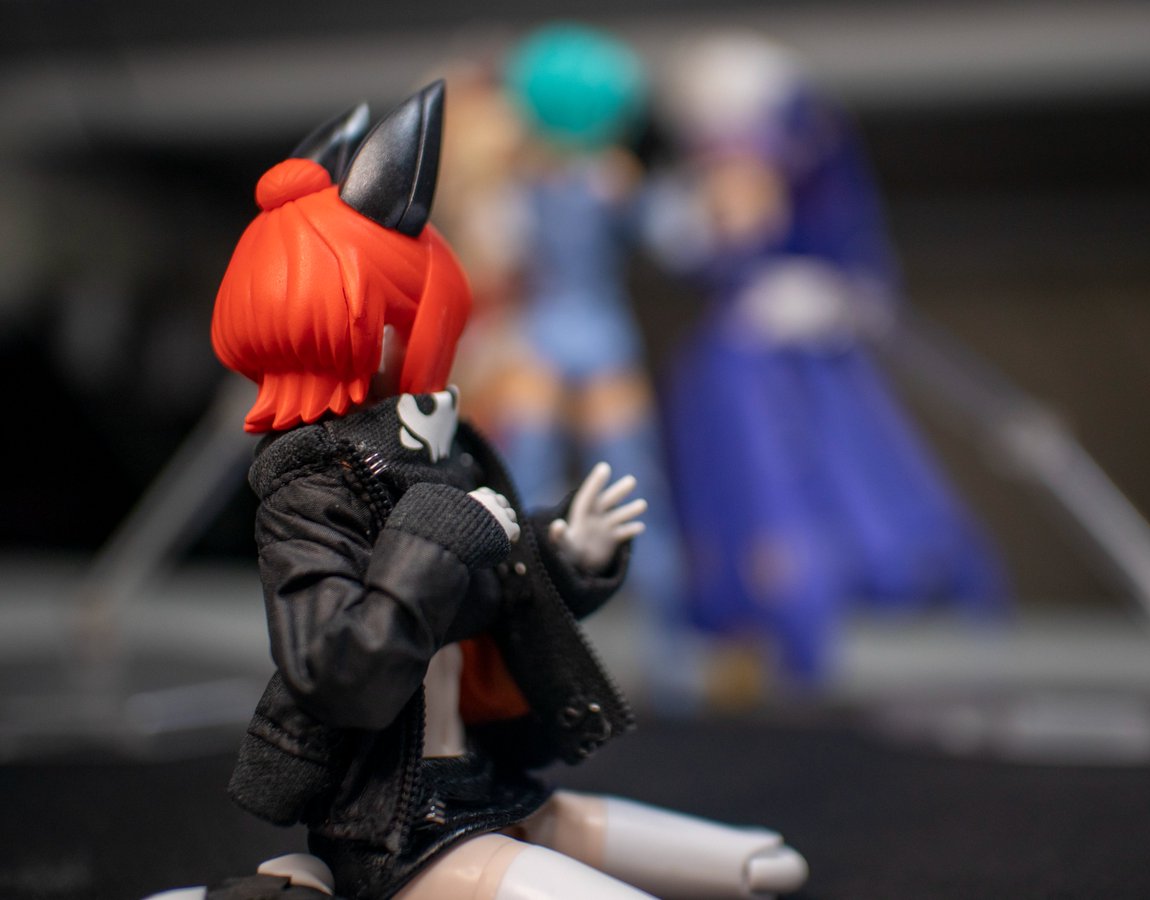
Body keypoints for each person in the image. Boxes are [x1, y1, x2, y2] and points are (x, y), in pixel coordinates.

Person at [180, 82, 805, 900]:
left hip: (487, 787)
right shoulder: (309, 490)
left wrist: (562, 554)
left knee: (759, 870)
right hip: (396, 826)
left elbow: (474, 603)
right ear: (380, 327)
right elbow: (340, 671)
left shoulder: (430, 447)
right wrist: (439, 533)